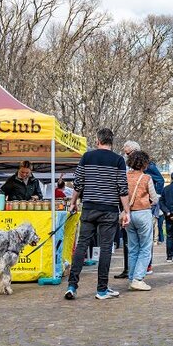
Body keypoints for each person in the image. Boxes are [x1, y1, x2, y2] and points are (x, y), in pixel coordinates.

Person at [66, 128, 130, 301]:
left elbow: (78, 183)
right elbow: (122, 188)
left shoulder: (87, 157)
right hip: (109, 209)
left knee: (81, 245)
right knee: (105, 248)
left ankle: (72, 285)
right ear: (112, 141)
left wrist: (73, 202)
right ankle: (101, 289)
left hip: (89, 207)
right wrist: (126, 211)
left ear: (97, 140)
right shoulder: (118, 160)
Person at [124, 150, 159, 291]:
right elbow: (155, 198)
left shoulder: (125, 176)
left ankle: (132, 277)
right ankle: (138, 279)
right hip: (143, 213)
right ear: (144, 163)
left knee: (132, 248)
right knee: (145, 248)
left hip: (129, 214)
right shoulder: (146, 178)